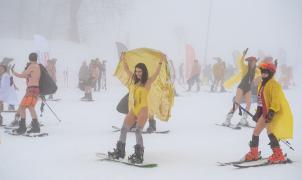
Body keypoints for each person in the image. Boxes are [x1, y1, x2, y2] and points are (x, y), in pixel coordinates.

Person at [108, 52, 164, 164]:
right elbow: (126, 69)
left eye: (140, 71)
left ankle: (139, 155)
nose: (138, 73)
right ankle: (120, 151)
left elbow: (156, 73)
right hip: (134, 110)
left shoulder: (147, 82)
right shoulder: (134, 79)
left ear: (143, 72)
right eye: (136, 71)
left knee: (138, 131)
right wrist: (123, 59)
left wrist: (161, 61)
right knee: (124, 129)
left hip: (143, 110)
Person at [243, 62, 293, 164]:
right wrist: (258, 112)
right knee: (256, 131)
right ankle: (254, 153)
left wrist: (271, 112)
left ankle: (278, 155)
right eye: (262, 72)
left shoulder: (274, 85)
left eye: (266, 72)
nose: (263, 74)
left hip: (274, 112)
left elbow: (275, 100)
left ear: (270, 73)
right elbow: (261, 99)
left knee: (270, 132)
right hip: (265, 112)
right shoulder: (262, 84)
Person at [222, 49, 258, 127]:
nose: (252, 63)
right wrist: (243, 55)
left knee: (249, 103)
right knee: (237, 104)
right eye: (251, 62)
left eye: (254, 62)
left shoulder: (255, 70)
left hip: (248, 88)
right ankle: (227, 120)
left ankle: (243, 120)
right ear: (249, 62)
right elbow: (241, 62)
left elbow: (262, 73)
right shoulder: (245, 67)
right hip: (241, 87)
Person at [11, 52, 41, 134]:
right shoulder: (37, 66)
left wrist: (14, 72)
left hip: (31, 89)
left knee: (24, 107)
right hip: (35, 89)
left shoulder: (32, 66)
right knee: (27, 107)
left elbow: (23, 74)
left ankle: (23, 127)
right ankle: (34, 126)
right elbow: (26, 76)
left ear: (29, 58)